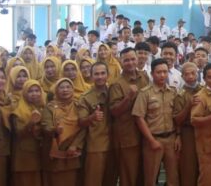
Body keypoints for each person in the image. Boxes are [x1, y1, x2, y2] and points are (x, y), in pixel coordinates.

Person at [133, 58, 180, 186]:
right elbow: (139, 118)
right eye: (159, 72)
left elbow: (177, 116)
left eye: (165, 72)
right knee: (151, 179)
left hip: (171, 139)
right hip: (153, 140)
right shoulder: (145, 93)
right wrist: (151, 141)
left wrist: (178, 136)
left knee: (173, 178)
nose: (162, 75)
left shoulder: (173, 91)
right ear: (152, 73)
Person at [109, 48, 150, 186]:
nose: (130, 63)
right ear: (121, 62)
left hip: (145, 134)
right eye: (126, 60)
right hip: (127, 137)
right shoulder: (117, 84)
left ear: (137, 59)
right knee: (129, 177)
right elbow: (114, 112)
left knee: (144, 175)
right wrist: (128, 98)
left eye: (133, 59)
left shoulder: (144, 77)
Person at [41, 78, 85, 186]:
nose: (65, 90)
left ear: (72, 89)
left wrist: (75, 145)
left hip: (74, 152)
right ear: (56, 90)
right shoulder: (50, 107)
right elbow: (46, 126)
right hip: (55, 153)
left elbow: (84, 127)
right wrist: (54, 130)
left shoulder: (78, 105)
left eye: (68, 87)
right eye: (61, 87)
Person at [77, 61, 115, 186]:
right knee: (93, 181)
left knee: (111, 180)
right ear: (92, 76)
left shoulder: (114, 91)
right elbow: (81, 122)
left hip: (114, 143)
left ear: (108, 75)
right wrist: (92, 117)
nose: (100, 77)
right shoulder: (86, 97)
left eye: (103, 73)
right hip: (96, 145)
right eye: (96, 74)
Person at [10, 79, 44, 186]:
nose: (34, 94)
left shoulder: (43, 107)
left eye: (37, 90)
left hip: (38, 153)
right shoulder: (18, 110)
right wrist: (31, 123)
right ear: (24, 93)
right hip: (23, 156)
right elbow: (18, 134)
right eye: (30, 91)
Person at [174, 62, 203, 186]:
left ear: (198, 74)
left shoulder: (204, 90)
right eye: (187, 74)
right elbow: (177, 120)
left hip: (204, 132)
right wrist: (188, 106)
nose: (190, 76)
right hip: (188, 132)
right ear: (182, 76)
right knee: (188, 168)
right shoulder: (180, 95)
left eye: (193, 73)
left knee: (204, 167)